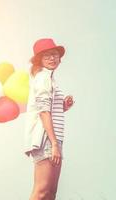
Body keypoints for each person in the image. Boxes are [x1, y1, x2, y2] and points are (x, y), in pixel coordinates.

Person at [23, 38, 75, 200]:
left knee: (50, 194)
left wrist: (63, 106)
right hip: (47, 139)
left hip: (54, 139)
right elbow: (43, 112)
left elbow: (49, 108)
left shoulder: (50, 79)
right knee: (42, 191)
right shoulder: (43, 77)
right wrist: (53, 143)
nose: (52, 58)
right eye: (47, 56)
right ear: (39, 60)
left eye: (55, 55)